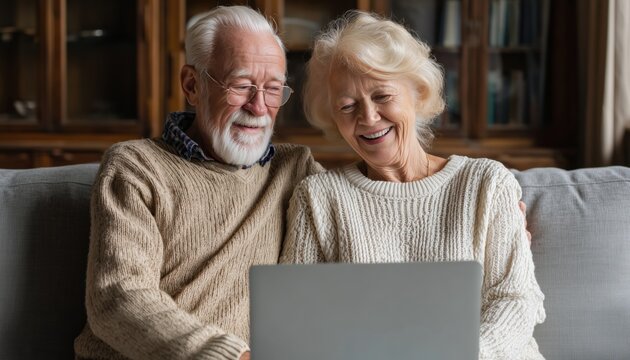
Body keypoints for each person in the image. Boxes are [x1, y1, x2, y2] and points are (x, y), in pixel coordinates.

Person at [280, 11, 546, 359]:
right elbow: (297, 320)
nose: (369, 118)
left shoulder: (486, 183)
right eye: (347, 106)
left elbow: (515, 300)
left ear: (417, 93)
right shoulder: (319, 198)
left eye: (382, 96)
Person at [73, 6, 322, 360]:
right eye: (241, 85)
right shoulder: (136, 166)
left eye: (273, 89)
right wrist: (224, 354)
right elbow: (118, 296)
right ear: (192, 84)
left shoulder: (295, 168)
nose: (259, 106)